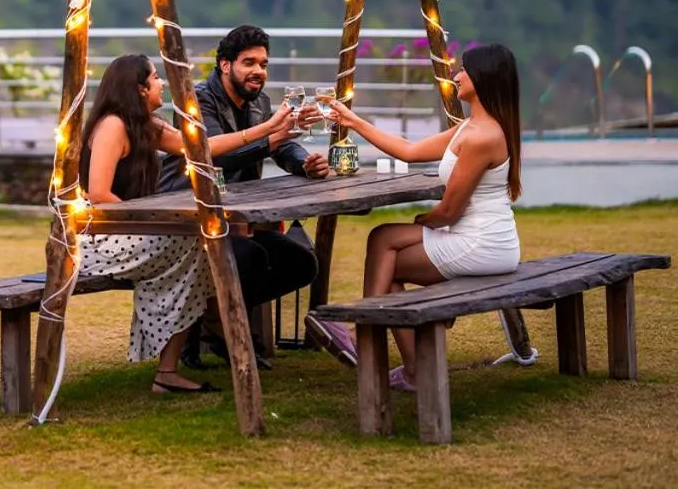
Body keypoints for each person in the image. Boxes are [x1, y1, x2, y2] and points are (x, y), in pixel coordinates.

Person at [304, 42, 523, 391]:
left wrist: (422, 221)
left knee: (386, 250)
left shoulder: (483, 136)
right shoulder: (470, 127)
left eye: (464, 70)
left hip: (481, 244)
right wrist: (353, 121)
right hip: (475, 237)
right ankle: (407, 367)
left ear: (483, 79)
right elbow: (409, 150)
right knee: (382, 241)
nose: (457, 75)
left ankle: (368, 340)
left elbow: (450, 211)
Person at [77, 53, 296, 393]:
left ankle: (173, 367)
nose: (162, 83)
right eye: (155, 78)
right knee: (198, 247)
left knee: (203, 247)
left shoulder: (146, 125)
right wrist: (149, 222)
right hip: (102, 239)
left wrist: (268, 129)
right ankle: (201, 343)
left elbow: (203, 147)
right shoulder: (113, 126)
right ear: (139, 88)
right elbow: (99, 194)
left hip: (132, 232)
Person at [156, 25, 329, 368]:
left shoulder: (260, 101)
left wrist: (304, 164)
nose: (258, 72)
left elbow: (282, 147)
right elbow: (214, 156)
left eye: (263, 64)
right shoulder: (197, 100)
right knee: (248, 257)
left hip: (235, 217)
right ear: (225, 64)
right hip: (188, 217)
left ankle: (215, 322)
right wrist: (275, 137)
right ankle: (215, 332)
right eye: (249, 62)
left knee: (301, 264)